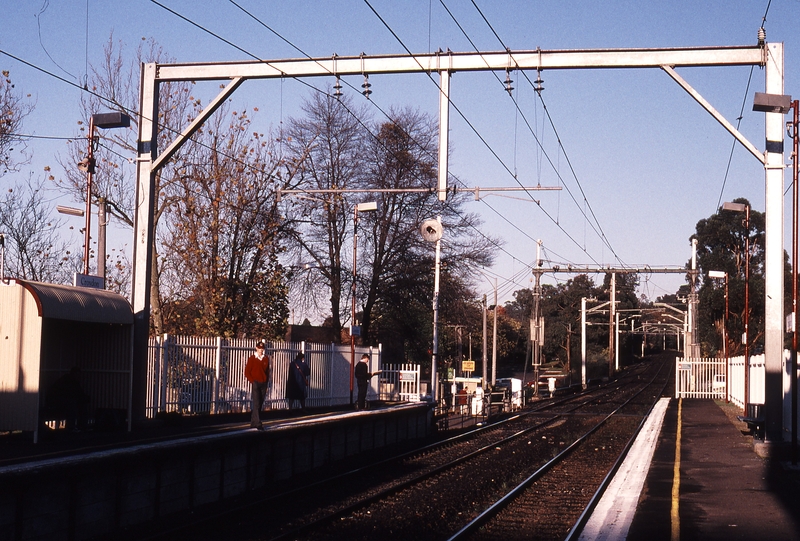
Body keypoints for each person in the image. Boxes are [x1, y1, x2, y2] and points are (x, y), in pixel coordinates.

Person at [46, 366, 90, 431]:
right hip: (59, 401)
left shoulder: (75, 382)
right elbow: (66, 393)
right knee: (72, 406)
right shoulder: (66, 381)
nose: (78, 376)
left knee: (81, 405)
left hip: (67, 400)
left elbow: (78, 393)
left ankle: (82, 426)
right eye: (77, 374)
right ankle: (71, 427)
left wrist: (84, 398)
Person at [244, 342, 271, 430]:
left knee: (260, 402)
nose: (261, 350)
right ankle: (258, 422)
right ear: (256, 348)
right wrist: (252, 381)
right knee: (256, 402)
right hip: (256, 382)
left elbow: (267, 371)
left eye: (262, 349)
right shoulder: (252, 358)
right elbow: (247, 371)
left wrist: (267, 381)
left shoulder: (266, 358)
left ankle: (253, 422)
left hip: (264, 383)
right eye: (259, 348)